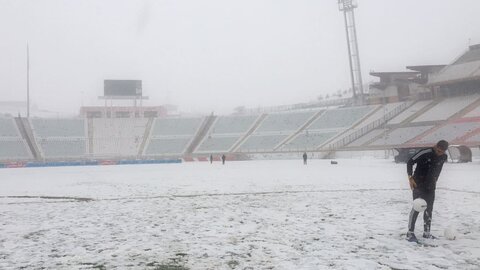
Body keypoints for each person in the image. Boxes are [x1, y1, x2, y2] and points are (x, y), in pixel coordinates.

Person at [406, 140, 449, 242]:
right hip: (418, 184)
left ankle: (427, 233)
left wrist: (435, 181)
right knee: (417, 207)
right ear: (435, 146)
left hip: (430, 186)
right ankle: (410, 233)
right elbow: (410, 162)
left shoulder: (444, 157)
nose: (439, 153)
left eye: (441, 152)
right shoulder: (425, 152)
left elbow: (438, 170)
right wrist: (410, 177)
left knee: (429, 209)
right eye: (438, 150)